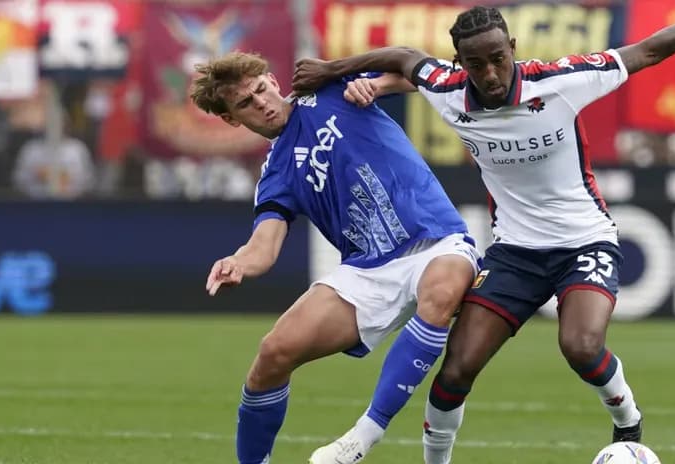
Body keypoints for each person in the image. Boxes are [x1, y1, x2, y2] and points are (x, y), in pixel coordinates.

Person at [290, 1, 675, 462]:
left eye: (498, 58)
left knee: (580, 345)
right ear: (460, 64)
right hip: (514, 253)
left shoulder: (560, 82)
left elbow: (649, 51)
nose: (490, 73)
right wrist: (335, 71)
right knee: (455, 372)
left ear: (512, 47)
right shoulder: (447, 88)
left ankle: (627, 420)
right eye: (475, 64)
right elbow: (403, 58)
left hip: (584, 241)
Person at [191, 51, 481, 464]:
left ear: (272, 80)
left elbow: (430, 75)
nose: (261, 104)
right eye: (245, 104)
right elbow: (265, 244)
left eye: (260, 90)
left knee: (441, 287)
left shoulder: (326, 87)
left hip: (436, 238)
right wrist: (239, 261)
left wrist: (377, 85)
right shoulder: (277, 172)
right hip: (368, 270)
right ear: (232, 120)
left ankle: (362, 437)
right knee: (273, 352)